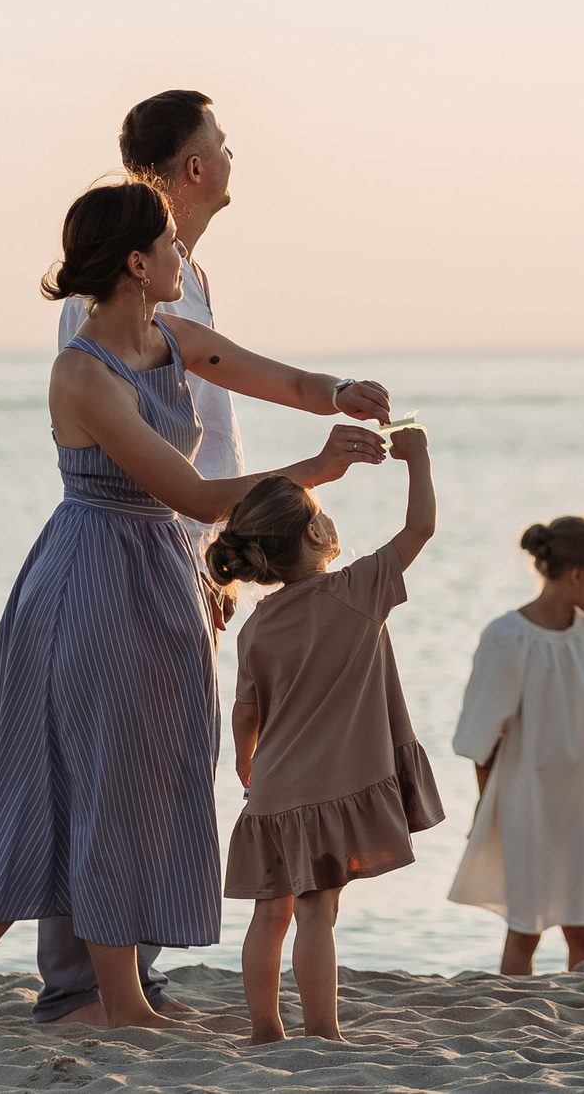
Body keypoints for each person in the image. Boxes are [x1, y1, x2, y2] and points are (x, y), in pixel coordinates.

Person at [0, 181, 393, 1030]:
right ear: (138, 263)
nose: (182, 255)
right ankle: (78, 997)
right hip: (92, 578)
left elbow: (269, 372)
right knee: (91, 780)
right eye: (170, 243)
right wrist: (314, 472)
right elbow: (197, 494)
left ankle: (31, 992)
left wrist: (341, 389)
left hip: (155, 573)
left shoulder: (171, 337)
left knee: (130, 779)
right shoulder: (83, 371)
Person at [36, 88, 260, 1025]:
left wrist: (219, 557)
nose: (234, 152)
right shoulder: (112, 308)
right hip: (139, 545)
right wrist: (221, 537)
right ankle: (86, 983)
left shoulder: (184, 282)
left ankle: (128, 971)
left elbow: (242, 387)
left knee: (167, 762)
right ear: (192, 166)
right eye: (221, 141)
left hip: (182, 548)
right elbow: (164, 460)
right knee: (108, 764)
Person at [211, 446, 444, 1043]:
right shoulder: (358, 590)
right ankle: (323, 1032)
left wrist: (246, 766)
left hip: (273, 791)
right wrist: (417, 461)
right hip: (329, 791)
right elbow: (420, 527)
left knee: (270, 914)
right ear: (317, 529)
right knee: (318, 912)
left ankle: (265, 1030)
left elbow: (245, 713)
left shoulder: (256, 626)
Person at [447, 516, 584, 975]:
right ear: (576, 574)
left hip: (583, 799)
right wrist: (488, 807)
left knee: (583, 923)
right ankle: (511, 1020)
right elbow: (481, 738)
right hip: (526, 799)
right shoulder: (507, 637)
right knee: (525, 926)